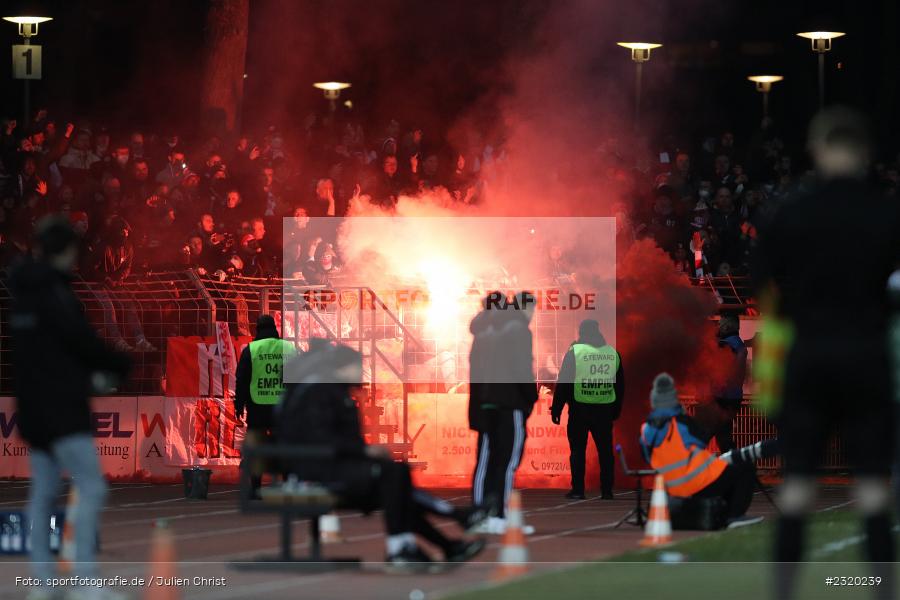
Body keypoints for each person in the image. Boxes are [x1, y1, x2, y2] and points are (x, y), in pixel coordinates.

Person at [753, 107, 899, 600]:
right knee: (874, 493)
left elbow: (764, 284)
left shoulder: (791, 211)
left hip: (808, 356)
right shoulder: (885, 212)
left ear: (817, 150)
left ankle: (785, 591)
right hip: (865, 356)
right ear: (865, 154)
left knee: (795, 491)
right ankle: (880, 591)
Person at [277, 340, 488, 571]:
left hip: (325, 468)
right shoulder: (321, 393)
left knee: (396, 482)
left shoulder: (327, 391)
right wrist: (365, 451)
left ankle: (444, 544)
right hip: (315, 475)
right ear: (342, 369)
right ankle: (424, 538)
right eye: (357, 367)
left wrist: (364, 454)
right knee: (394, 476)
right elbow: (319, 439)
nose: (361, 373)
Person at [9, 217, 131, 600]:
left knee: (42, 494)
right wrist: (119, 363)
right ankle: (84, 581)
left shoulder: (23, 294)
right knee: (91, 486)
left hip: (33, 406)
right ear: (64, 251)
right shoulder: (55, 294)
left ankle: (43, 584)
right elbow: (79, 340)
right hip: (61, 406)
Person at [640, 373, 766, 528]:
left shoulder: (646, 429)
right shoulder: (681, 422)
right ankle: (733, 516)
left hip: (671, 488)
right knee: (745, 467)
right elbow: (700, 441)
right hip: (698, 482)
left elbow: (646, 457)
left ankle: (719, 514)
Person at [469, 292, 538, 534]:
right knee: (506, 462)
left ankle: (480, 514)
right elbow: (522, 368)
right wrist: (531, 397)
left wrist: (476, 406)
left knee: (486, 460)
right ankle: (500, 514)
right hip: (510, 403)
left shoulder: (483, 333)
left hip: (486, 404)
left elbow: (475, 373)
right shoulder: (518, 330)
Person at [550, 319, 623, 500]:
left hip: (579, 409)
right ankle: (607, 491)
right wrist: (616, 409)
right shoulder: (612, 353)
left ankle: (578, 490)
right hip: (604, 409)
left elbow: (564, 383)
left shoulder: (575, 352)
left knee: (577, 450)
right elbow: (620, 386)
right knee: (605, 452)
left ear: (581, 333)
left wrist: (556, 409)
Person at [234, 314, 298, 498]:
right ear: (275, 328)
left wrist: (239, 404)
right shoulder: (288, 347)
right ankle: (289, 486)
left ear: (257, 329)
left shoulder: (252, 349)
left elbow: (242, 379)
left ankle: (255, 488)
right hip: (283, 406)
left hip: (258, 405)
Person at [710, 314, 747, 452]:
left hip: (724, 396)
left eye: (721, 323)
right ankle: (734, 464)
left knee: (712, 431)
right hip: (732, 396)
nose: (718, 326)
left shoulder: (727, 344)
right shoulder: (738, 343)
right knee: (723, 434)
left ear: (728, 326)